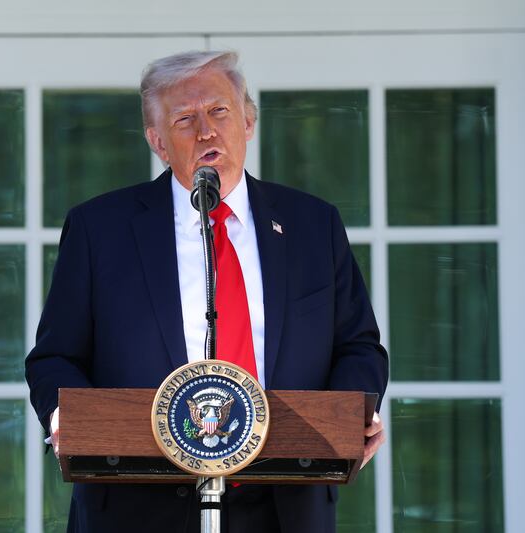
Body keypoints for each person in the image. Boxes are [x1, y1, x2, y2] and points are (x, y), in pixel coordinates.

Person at [25, 50, 389, 533]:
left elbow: (357, 346)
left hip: (284, 502)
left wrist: (348, 417)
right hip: (137, 503)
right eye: (184, 119)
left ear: (249, 122)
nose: (206, 131)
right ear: (157, 141)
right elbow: (54, 358)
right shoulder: (100, 228)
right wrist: (62, 416)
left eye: (219, 111)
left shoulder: (312, 224)